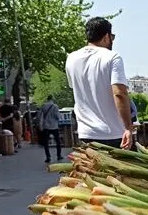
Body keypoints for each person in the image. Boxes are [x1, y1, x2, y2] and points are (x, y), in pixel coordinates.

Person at [65, 16, 133, 149]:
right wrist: (128, 128)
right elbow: (119, 94)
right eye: (112, 37)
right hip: (112, 134)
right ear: (106, 37)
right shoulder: (112, 57)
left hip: (86, 133)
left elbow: (76, 89)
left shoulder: (71, 58)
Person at [38, 94, 62, 163]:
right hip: (54, 126)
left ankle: (48, 157)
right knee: (58, 142)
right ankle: (59, 155)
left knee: (46, 143)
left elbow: (40, 116)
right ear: (52, 99)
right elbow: (57, 116)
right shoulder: (55, 106)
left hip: (46, 126)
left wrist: (40, 125)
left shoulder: (43, 106)